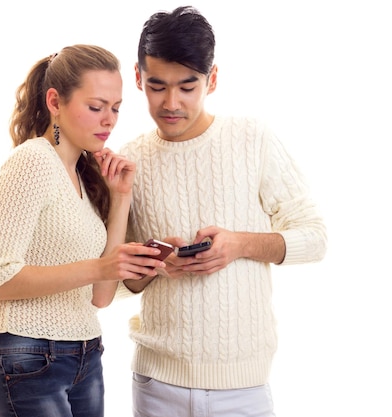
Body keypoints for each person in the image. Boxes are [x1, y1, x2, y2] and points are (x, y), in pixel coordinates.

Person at [118, 6, 328, 417]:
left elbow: (316, 237)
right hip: (157, 384)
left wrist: (238, 244)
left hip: (242, 387)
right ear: (139, 77)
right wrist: (157, 262)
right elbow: (120, 284)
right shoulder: (129, 161)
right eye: (157, 86)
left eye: (188, 86)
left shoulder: (252, 138)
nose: (171, 102)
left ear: (212, 80)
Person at [0, 44, 167, 417]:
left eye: (115, 108)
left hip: (84, 352)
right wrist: (98, 267)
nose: (109, 120)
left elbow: (100, 297)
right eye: (96, 107)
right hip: (28, 356)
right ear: (54, 102)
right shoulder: (31, 162)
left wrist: (121, 197)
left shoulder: (83, 175)